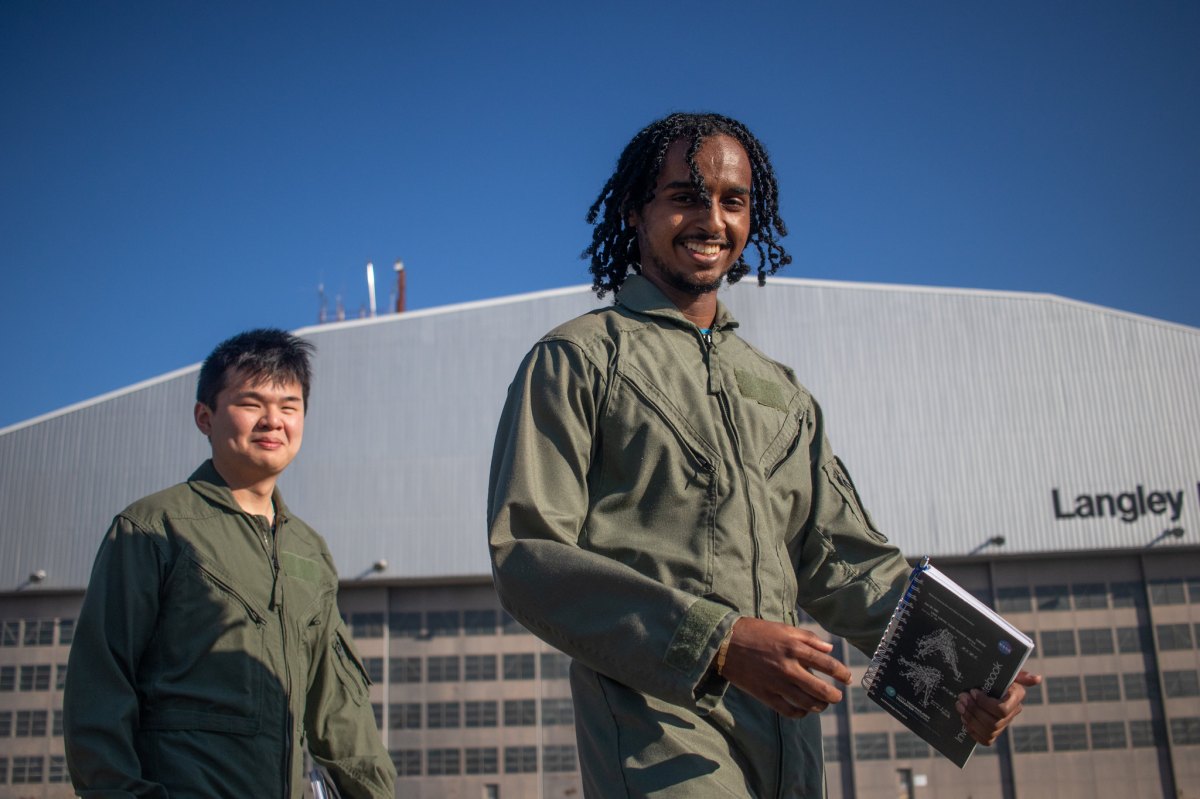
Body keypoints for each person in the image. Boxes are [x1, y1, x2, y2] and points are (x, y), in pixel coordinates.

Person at [488, 112, 1040, 797]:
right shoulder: (578, 359)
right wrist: (716, 640)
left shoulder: (783, 393)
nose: (711, 220)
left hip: (789, 735)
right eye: (686, 196)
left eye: (732, 200)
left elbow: (844, 562)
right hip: (658, 729)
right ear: (635, 209)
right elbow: (529, 555)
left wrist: (971, 676)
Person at [64, 329, 395, 799]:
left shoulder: (309, 551)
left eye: (289, 406)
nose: (273, 421)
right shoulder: (154, 528)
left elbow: (339, 708)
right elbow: (99, 683)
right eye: (251, 403)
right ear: (206, 417)